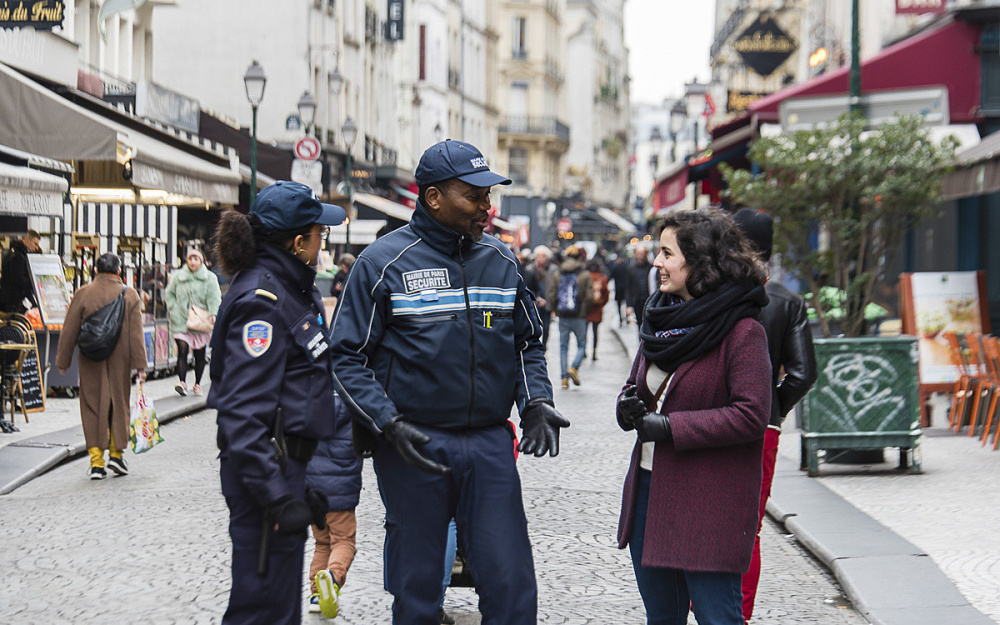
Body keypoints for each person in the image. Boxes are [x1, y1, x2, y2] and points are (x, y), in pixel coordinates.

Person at [329, 139, 570, 625]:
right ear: (434, 197)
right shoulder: (382, 264)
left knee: (510, 582)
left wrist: (536, 402)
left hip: (488, 444)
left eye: (488, 194)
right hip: (414, 444)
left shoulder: (501, 263)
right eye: (475, 195)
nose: (487, 206)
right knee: (417, 587)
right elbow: (345, 356)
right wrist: (387, 424)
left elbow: (528, 343)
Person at [615, 209, 772, 625]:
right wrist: (627, 406)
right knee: (662, 617)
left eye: (667, 252)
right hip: (650, 490)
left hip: (708, 503)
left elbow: (752, 413)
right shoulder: (661, 316)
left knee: (716, 617)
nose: (656, 261)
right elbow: (638, 384)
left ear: (699, 259)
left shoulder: (743, 331)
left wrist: (670, 428)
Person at [207, 180, 347, 625]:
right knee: (260, 611)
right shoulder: (263, 302)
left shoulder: (286, 291)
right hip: (263, 483)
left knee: (279, 609)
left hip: (282, 472)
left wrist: (298, 487)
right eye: (318, 233)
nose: (322, 241)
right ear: (296, 241)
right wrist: (276, 495)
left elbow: (285, 399)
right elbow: (242, 415)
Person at [732, 207, 818, 622]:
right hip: (761, 425)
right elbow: (803, 373)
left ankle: (702, 603)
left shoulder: (714, 291)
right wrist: (773, 407)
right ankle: (739, 614)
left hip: (715, 418)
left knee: (706, 514)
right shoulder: (788, 300)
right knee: (749, 528)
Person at [55, 253, 147, 480]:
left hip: (90, 359)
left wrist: (63, 361)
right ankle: (116, 455)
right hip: (120, 359)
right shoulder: (130, 294)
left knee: (92, 405)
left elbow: (69, 330)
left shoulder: (83, 293)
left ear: (96, 271)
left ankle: (97, 463)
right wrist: (141, 367)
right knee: (118, 403)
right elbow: (136, 334)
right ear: (119, 272)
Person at [306, 394, 363, 619]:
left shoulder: (309, 401)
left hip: (312, 489)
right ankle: (332, 577)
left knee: (321, 542)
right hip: (342, 490)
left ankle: (315, 596)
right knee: (344, 541)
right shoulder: (352, 403)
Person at [164, 247, 221, 396]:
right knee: (182, 350)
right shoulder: (178, 276)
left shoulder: (209, 278)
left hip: (200, 321)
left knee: (199, 354)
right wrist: (173, 308)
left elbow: (214, 297)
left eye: (196, 259)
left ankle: (197, 384)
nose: (193, 262)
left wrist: (213, 313)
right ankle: (182, 383)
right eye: (190, 259)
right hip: (181, 319)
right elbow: (169, 293)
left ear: (201, 260)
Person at [547, 245, 593, 389]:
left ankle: (564, 379)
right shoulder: (585, 274)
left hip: (563, 315)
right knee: (582, 345)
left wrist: (557, 310)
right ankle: (573, 368)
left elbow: (551, 294)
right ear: (580, 257)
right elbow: (590, 297)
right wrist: (585, 311)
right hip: (579, 316)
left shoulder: (558, 273)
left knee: (563, 347)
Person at [524, 245, 559, 350]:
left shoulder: (553, 269)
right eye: (538, 256)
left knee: (547, 326)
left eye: (543, 256)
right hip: (535, 302)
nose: (540, 259)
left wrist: (554, 305)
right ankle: (536, 345)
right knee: (535, 325)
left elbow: (555, 287)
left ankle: (544, 346)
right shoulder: (530, 269)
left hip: (548, 302)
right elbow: (527, 287)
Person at [1, 230, 41, 314]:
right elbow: (18, 280)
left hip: (8, 300)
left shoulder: (13, 252)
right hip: (14, 303)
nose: (36, 248)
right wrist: (32, 280)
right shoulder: (18, 256)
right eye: (35, 244)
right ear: (27, 239)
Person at [585, 259, 610, 360]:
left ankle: (584, 350)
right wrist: (602, 303)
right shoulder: (602, 277)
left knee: (585, 331)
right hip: (597, 308)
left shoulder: (587, 276)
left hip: (587, 308)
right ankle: (594, 351)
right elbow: (606, 294)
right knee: (595, 331)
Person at [625, 244, 653, 326]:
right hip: (637, 302)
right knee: (640, 324)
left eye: (643, 253)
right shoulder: (631, 269)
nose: (641, 255)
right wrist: (629, 305)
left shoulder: (651, 268)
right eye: (639, 253)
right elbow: (628, 287)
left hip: (650, 300)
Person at [609, 254, 629, 326]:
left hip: (618, 288)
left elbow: (610, 276)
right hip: (626, 288)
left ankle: (621, 318)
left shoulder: (615, 267)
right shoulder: (627, 267)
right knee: (627, 304)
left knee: (619, 305)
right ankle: (626, 318)